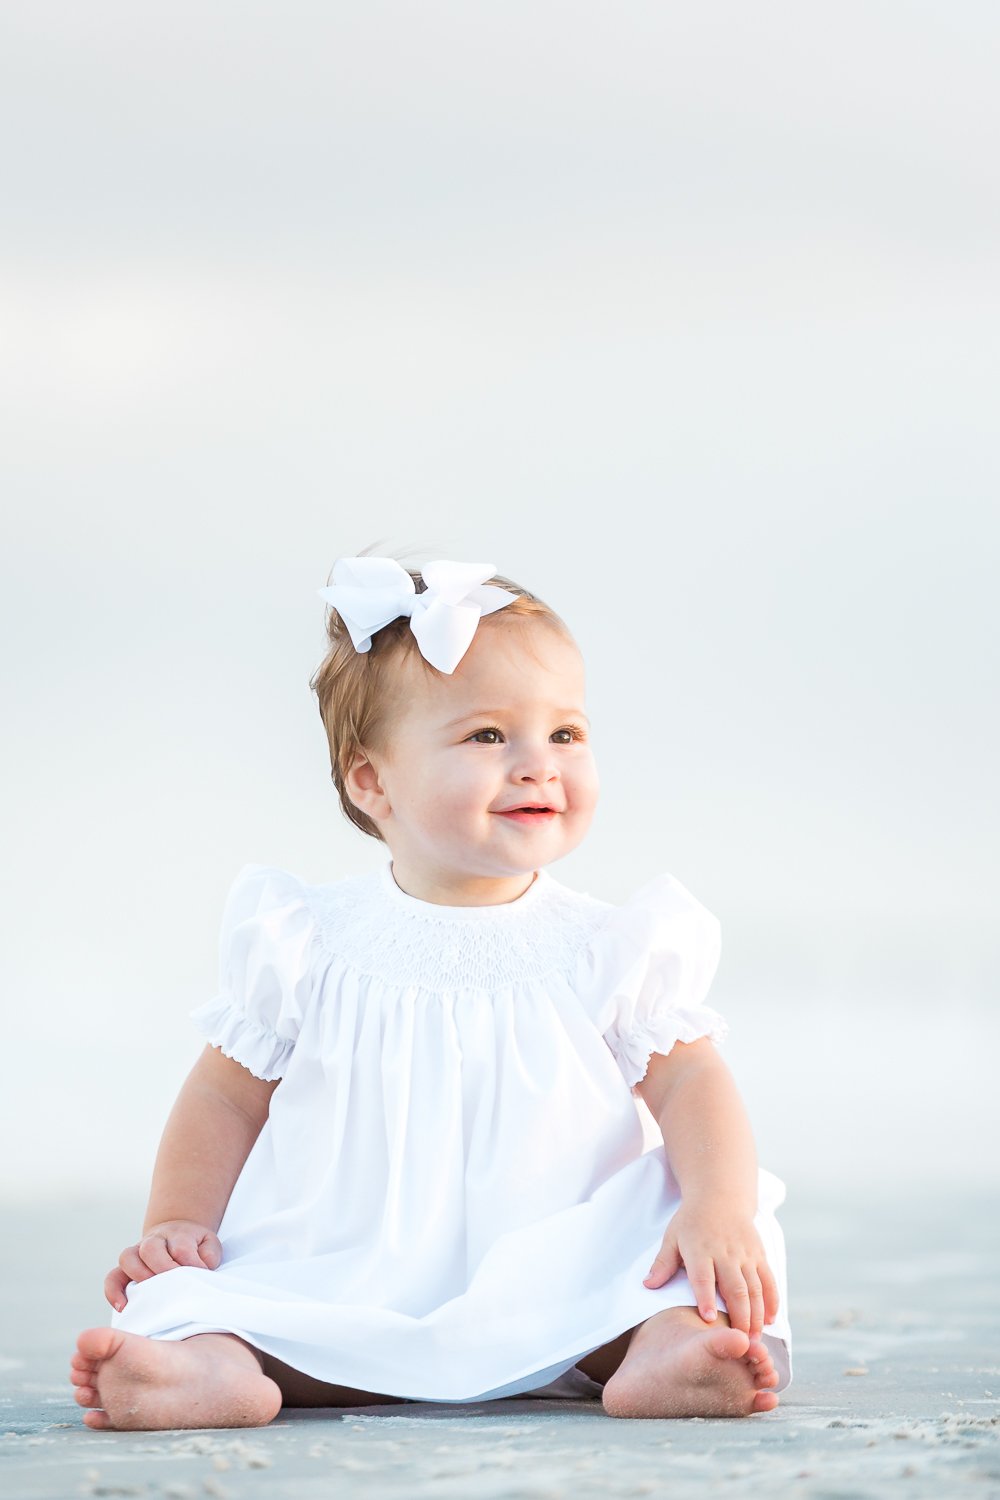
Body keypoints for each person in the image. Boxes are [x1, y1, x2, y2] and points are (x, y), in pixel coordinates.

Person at [70, 554, 792, 1430]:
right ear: (371, 780)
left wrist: (717, 1208)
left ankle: (664, 1351)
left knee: (688, 1243)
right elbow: (226, 1093)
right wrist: (177, 1222)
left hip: (555, 1267)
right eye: (488, 737)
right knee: (195, 1298)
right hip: (346, 1257)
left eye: (566, 734)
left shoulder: (607, 945)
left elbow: (689, 1082)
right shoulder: (307, 940)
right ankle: (211, 1371)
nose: (538, 765)